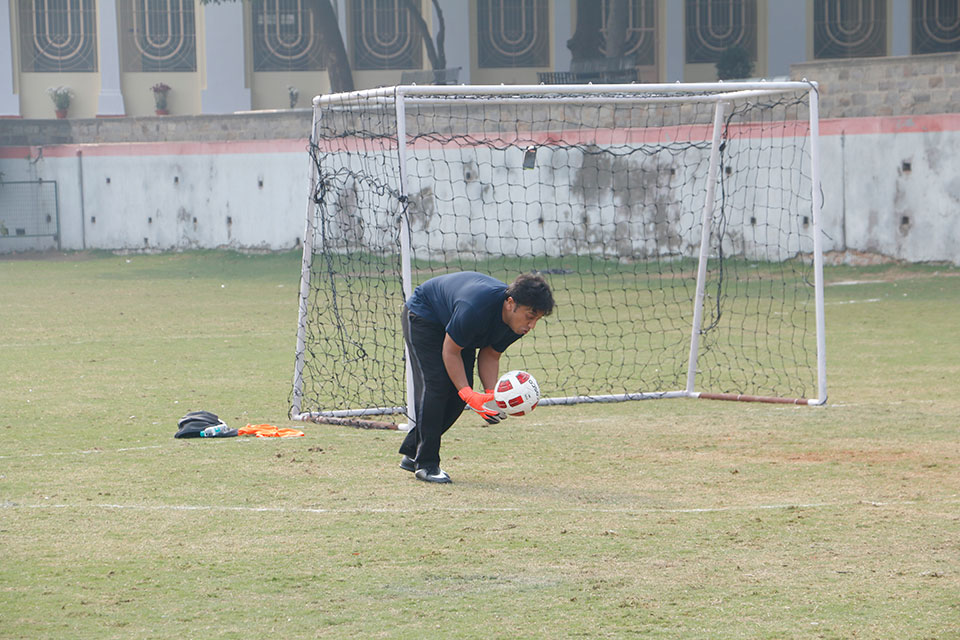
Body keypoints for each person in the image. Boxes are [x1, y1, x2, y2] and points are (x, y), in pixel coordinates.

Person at [398, 271, 555, 483]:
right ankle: (426, 464)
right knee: (437, 386)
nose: (532, 325)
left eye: (537, 319)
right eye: (530, 316)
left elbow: (491, 354)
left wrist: (492, 396)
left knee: (460, 394)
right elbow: (450, 352)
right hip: (425, 316)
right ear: (510, 303)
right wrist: (467, 393)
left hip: (459, 328)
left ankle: (412, 452)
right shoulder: (475, 308)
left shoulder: (517, 325)